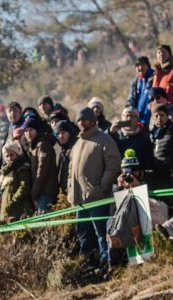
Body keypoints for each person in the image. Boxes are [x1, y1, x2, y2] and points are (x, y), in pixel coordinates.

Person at [68, 107, 120, 270]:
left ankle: (107, 263)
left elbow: (113, 165)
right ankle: (88, 262)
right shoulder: (76, 144)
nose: (82, 123)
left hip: (97, 198)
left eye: (85, 119)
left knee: (101, 232)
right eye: (79, 120)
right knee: (82, 232)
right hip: (80, 200)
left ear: (92, 121)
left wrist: (101, 187)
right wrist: (71, 194)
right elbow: (71, 172)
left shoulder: (104, 139)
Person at [0, 143, 33, 222]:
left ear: (17, 155)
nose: (9, 158)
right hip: (7, 213)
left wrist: (12, 202)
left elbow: (24, 187)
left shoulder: (22, 168)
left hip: (20, 211)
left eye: (12, 155)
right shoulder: (5, 172)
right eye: (7, 156)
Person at [127, 56, 155, 126]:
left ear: (148, 66)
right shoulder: (136, 82)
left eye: (142, 65)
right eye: (137, 66)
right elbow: (130, 100)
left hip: (152, 119)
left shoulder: (154, 78)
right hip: (139, 121)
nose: (140, 68)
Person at [153, 45, 173, 109]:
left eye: (164, 52)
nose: (161, 54)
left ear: (169, 54)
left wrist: (168, 88)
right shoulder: (157, 71)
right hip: (158, 108)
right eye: (159, 52)